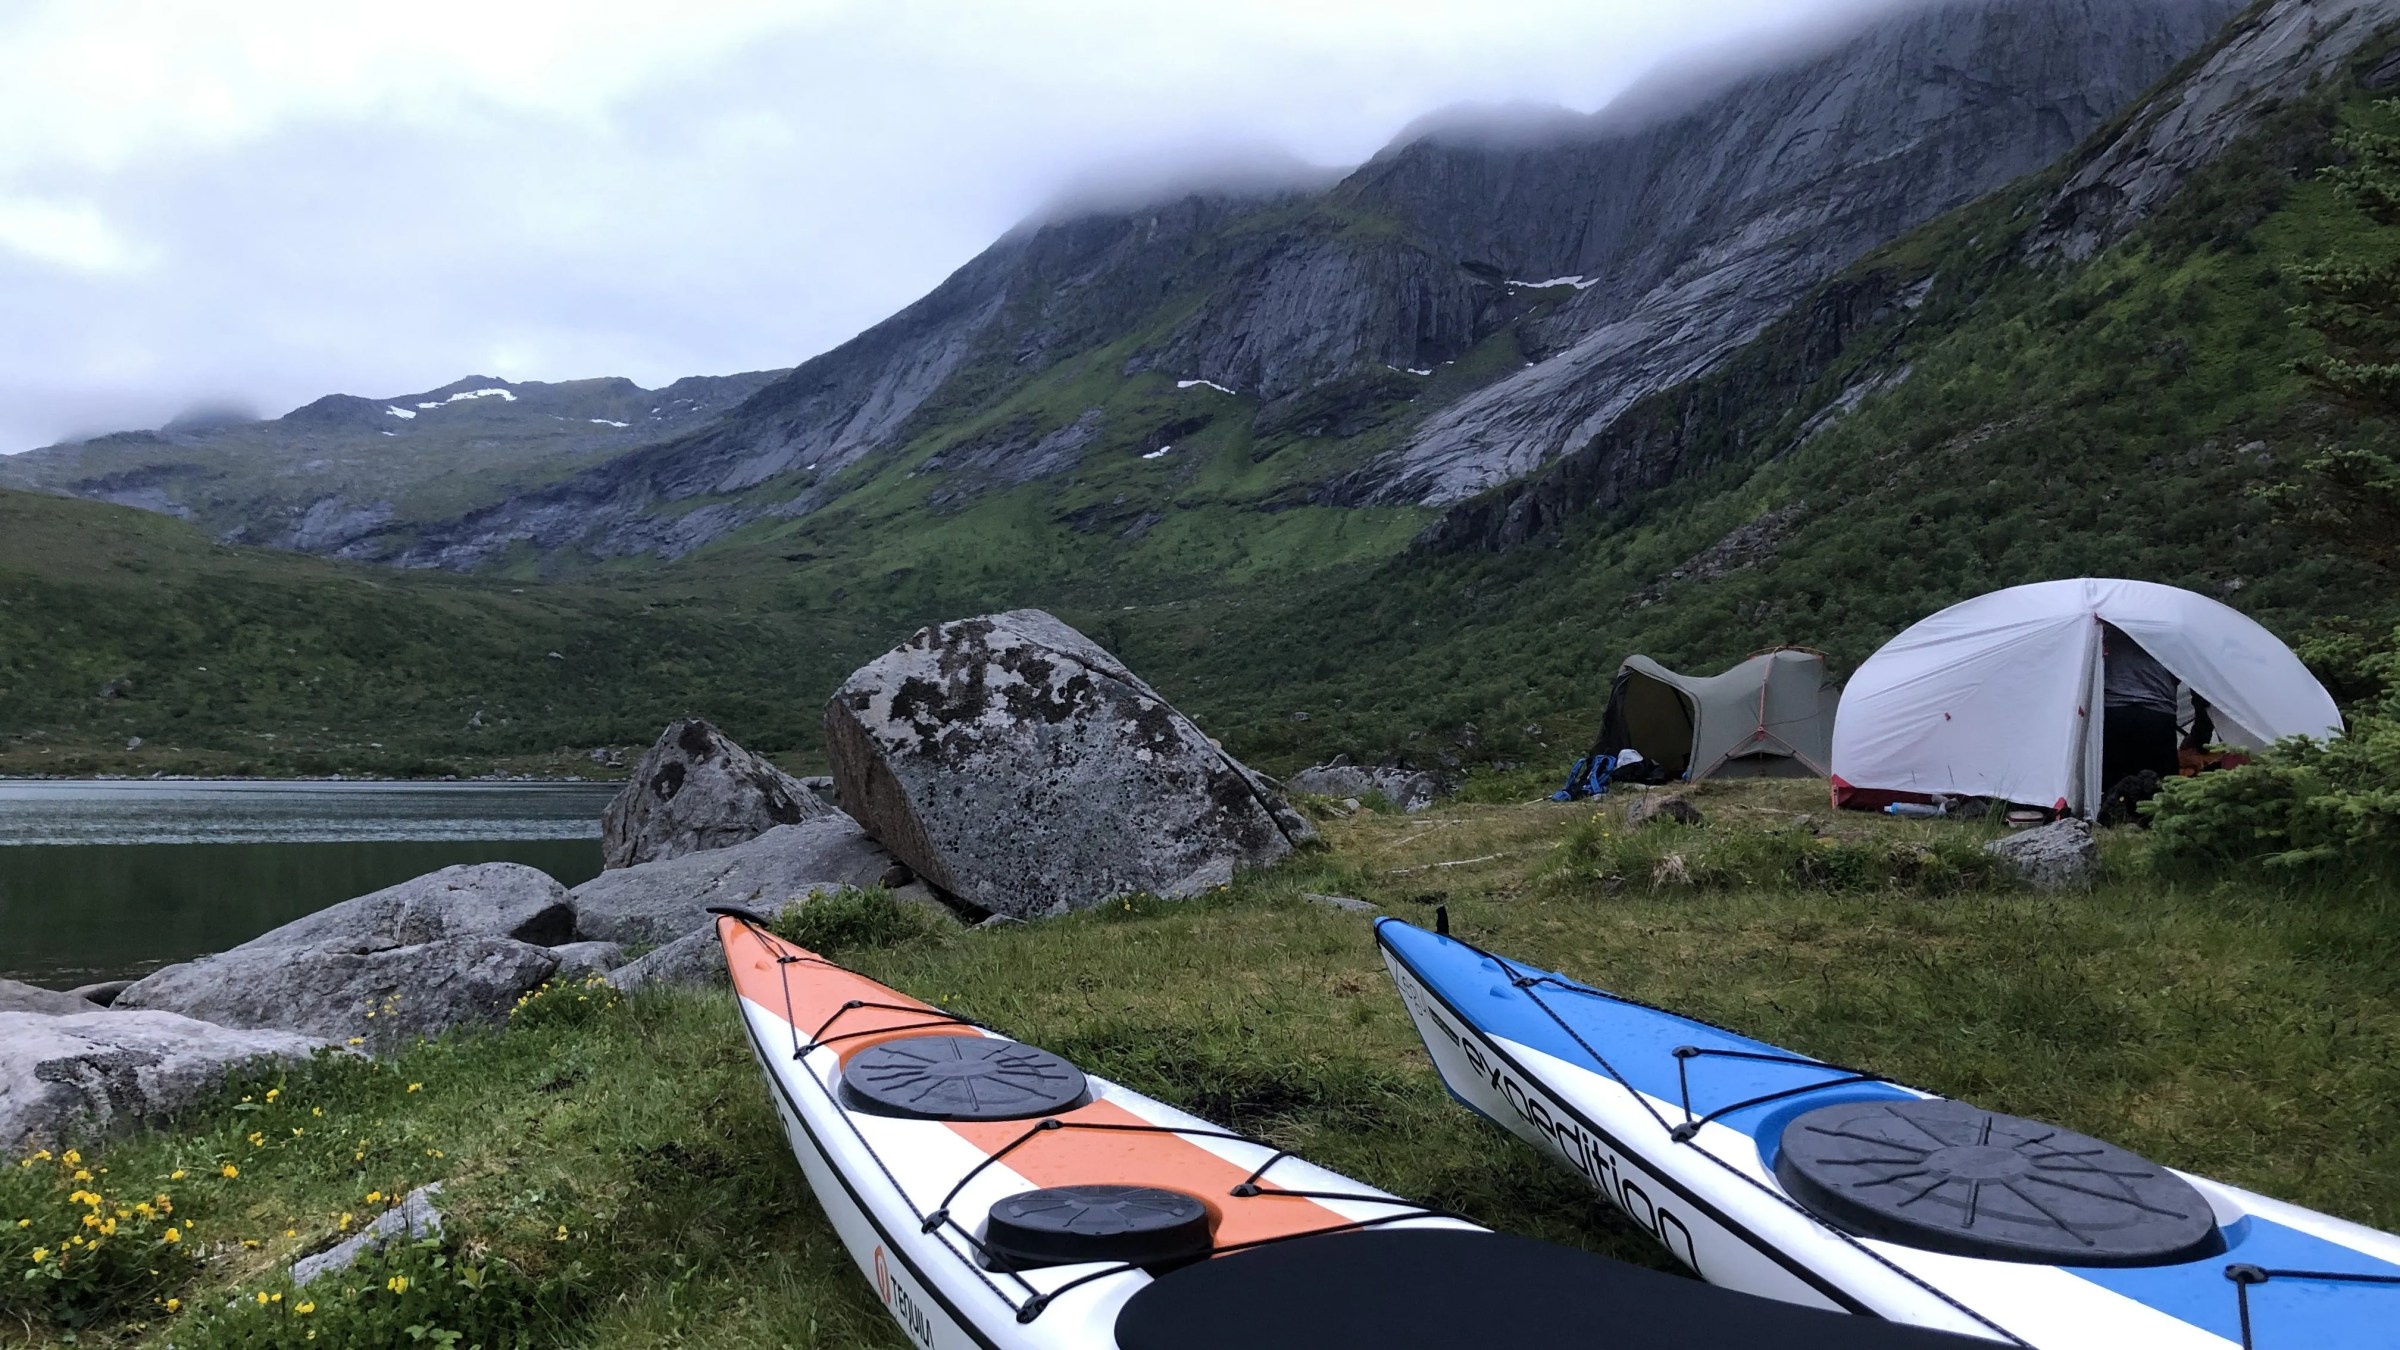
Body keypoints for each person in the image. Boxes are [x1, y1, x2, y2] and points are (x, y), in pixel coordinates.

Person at [2100, 623, 2179, 790]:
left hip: (2114, 713)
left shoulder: (2105, 629)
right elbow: (2195, 681)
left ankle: (2113, 815)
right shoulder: (2171, 631)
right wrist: (2200, 735)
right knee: (2163, 788)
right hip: (2158, 716)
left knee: (2113, 786)